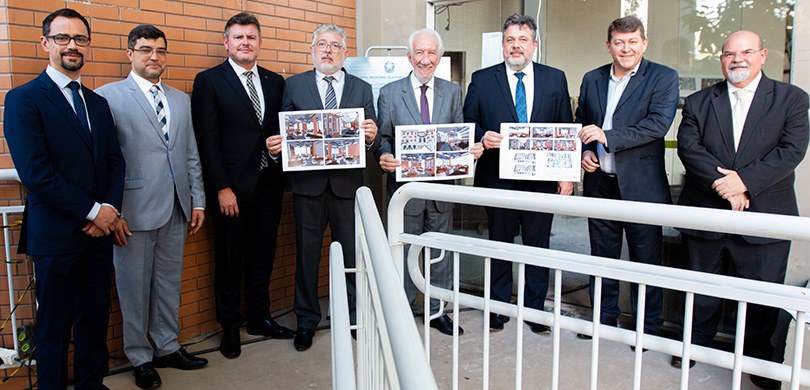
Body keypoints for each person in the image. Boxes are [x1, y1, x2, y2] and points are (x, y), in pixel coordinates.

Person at [675, 30, 809, 389]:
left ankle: (760, 361)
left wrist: (744, 182)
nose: (738, 59)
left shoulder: (791, 99)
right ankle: (696, 345)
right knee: (701, 288)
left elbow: (791, 150)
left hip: (765, 215)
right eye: (729, 54)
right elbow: (689, 148)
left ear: (763, 56)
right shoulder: (700, 101)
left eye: (746, 52)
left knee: (762, 296)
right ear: (721, 59)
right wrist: (726, 186)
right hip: (707, 209)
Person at [4, 8, 125, 389]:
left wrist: (109, 209)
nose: (72, 46)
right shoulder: (24, 99)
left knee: (93, 318)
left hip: (98, 236)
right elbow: (35, 171)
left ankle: (92, 384)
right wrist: (93, 211)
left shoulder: (98, 103)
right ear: (45, 44)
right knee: (54, 325)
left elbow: (115, 163)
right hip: (56, 236)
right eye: (62, 38)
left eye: (80, 39)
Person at [96, 25, 208, 389]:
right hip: (132, 211)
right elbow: (102, 161)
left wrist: (197, 200)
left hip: (176, 208)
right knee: (133, 289)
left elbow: (190, 153)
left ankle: (166, 345)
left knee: (167, 285)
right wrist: (112, 210)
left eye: (160, 50)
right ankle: (139, 356)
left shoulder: (180, 99)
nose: (154, 56)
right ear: (130, 53)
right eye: (145, 50)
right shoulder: (107, 97)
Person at [266, 23, 379, 351]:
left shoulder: (362, 87)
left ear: (345, 53)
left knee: (351, 256)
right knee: (306, 256)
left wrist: (371, 138)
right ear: (312, 51)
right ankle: (306, 320)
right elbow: (285, 132)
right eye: (321, 45)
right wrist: (277, 146)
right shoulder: (294, 86)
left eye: (334, 46)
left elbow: (369, 135)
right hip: (307, 187)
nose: (327, 50)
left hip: (347, 186)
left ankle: (354, 316)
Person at [191, 12, 294, 360]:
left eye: (251, 37)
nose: (245, 42)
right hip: (231, 191)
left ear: (259, 42)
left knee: (263, 255)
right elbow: (207, 139)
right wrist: (221, 187)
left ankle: (260, 318)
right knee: (230, 259)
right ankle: (230, 326)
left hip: (269, 184)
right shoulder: (209, 81)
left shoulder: (275, 81)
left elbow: (279, 130)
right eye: (238, 37)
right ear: (226, 42)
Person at [463, 14, 573, 334]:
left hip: (541, 181)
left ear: (534, 45)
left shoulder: (555, 79)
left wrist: (566, 176)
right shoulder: (482, 80)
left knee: (537, 247)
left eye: (523, 40)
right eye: (510, 39)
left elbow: (564, 127)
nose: (516, 46)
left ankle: (535, 311)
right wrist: (482, 136)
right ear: (502, 45)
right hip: (497, 179)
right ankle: (497, 308)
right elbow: (468, 123)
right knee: (499, 245)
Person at [575, 16, 678, 340]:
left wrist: (606, 136)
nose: (626, 48)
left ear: (644, 43)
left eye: (633, 41)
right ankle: (603, 322)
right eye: (619, 42)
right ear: (609, 46)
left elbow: (656, 125)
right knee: (602, 258)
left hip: (641, 187)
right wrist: (585, 152)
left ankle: (646, 331)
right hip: (601, 182)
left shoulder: (663, 77)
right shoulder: (592, 79)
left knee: (645, 261)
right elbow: (582, 122)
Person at [376, 29, 483, 336]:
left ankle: (437, 312)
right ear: (409, 57)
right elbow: (383, 137)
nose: (425, 60)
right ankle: (403, 310)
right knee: (404, 250)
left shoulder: (452, 92)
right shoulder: (390, 92)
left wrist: (470, 148)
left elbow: (458, 136)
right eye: (419, 53)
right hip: (405, 192)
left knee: (441, 254)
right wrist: (383, 155)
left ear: (439, 57)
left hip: (441, 190)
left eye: (431, 53)